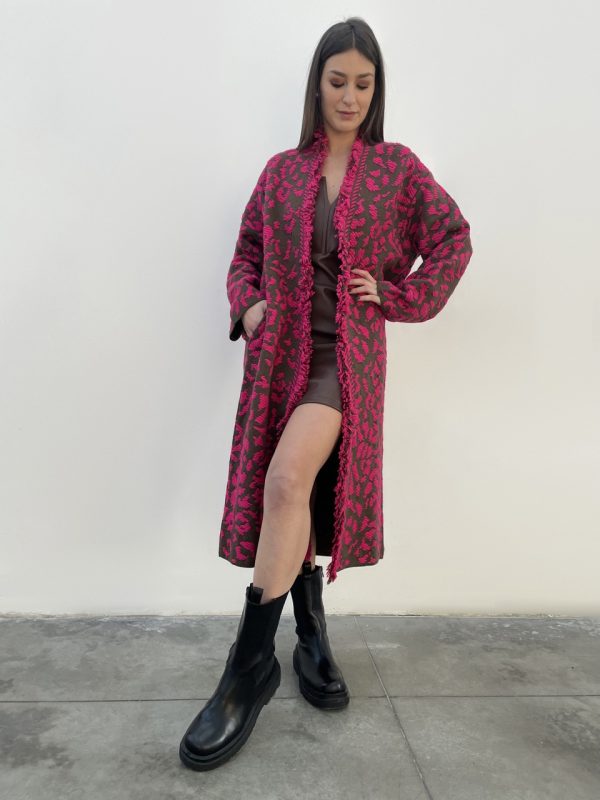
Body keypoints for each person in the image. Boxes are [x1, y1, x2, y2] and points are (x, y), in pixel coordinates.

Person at [179, 16, 473, 771]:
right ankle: (309, 629)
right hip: (279, 361)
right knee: (299, 492)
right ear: (317, 85)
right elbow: (245, 252)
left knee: (285, 481)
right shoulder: (281, 171)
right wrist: (248, 305)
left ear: (377, 91)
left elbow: (453, 239)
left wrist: (398, 297)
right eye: (337, 81)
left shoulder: (397, 169)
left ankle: (247, 670)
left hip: (346, 363)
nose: (349, 96)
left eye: (363, 84)